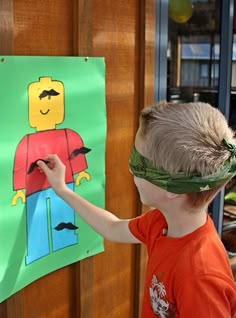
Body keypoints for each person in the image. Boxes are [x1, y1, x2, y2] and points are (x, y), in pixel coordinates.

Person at [37, 101, 236, 317]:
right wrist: (62, 190)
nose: (131, 172)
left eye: (137, 164)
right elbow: (111, 227)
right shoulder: (160, 223)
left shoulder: (200, 275)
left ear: (171, 188)